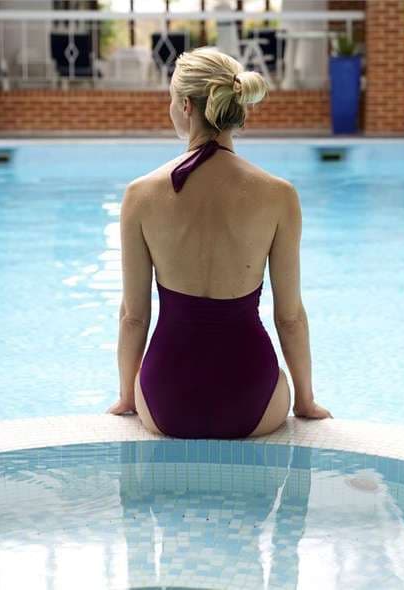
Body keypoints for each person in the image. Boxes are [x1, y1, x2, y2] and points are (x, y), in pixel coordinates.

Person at [107, 47, 331, 438]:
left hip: (165, 401)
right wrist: (305, 402)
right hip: (253, 399)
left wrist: (128, 396)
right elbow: (290, 317)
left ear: (186, 107)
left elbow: (133, 316)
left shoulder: (140, 194)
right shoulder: (279, 195)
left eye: (171, 101)